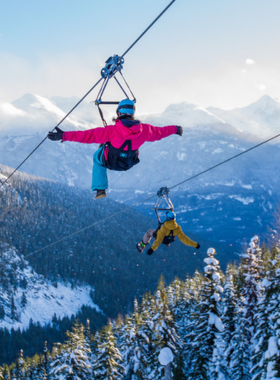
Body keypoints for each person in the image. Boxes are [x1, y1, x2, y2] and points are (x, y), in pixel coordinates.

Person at [47, 99, 183, 199]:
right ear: (133, 113)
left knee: (97, 156)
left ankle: (100, 189)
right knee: (106, 150)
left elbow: (86, 136)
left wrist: (63, 135)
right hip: (128, 163)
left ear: (119, 113)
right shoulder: (145, 130)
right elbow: (161, 132)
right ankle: (100, 188)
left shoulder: (111, 131)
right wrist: (175, 129)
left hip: (111, 162)